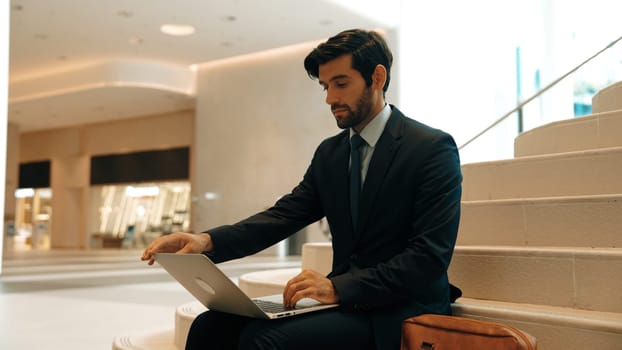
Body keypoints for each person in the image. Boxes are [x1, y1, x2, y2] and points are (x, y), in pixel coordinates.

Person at [142, 28, 462, 350]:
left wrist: (338, 288)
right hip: (347, 303)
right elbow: (283, 216)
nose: (330, 98)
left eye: (341, 83)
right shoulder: (331, 154)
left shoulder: (431, 148)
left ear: (377, 77)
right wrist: (205, 241)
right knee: (210, 325)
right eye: (325, 86)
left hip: (401, 309)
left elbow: (428, 258)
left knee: (263, 341)